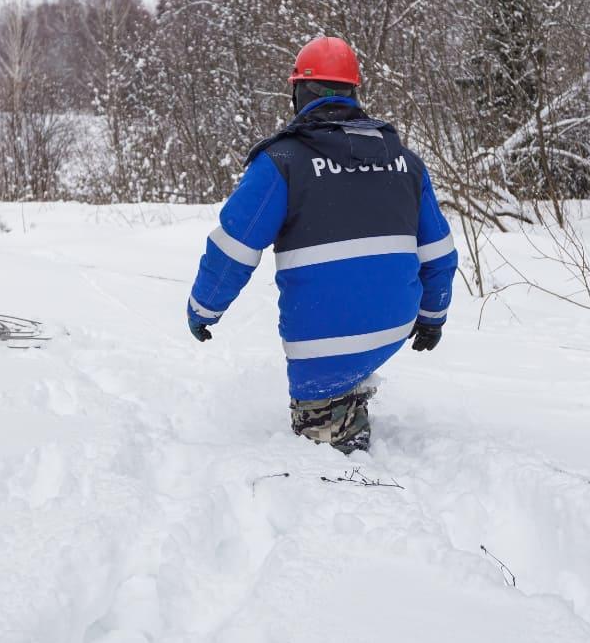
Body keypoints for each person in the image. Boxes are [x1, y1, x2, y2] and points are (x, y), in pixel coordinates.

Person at [186, 36, 458, 454]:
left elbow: (233, 250)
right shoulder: (405, 160)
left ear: (298, 92)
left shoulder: (282, 162)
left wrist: (204, 309)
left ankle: (338, 429)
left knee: (326, 461)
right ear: (354, 91)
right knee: (356, 342)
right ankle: (353, 394)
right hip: (393, 326)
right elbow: (439, 255)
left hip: (323, 344)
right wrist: (432, 316)